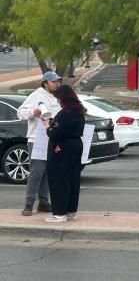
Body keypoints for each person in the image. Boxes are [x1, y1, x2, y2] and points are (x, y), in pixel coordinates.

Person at [17, 71, 62, 216]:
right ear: (45, 83)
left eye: (58, 81)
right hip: (37, 139)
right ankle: (29, 204)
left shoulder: (56, 97)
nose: (57, 83)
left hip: (51, 139)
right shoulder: (36, 95)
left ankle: (44, 202)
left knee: (47, 173)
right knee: (36, 172)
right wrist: (34, 112)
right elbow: (20, 113)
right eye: (54, 81)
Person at [44, 85, 86, 223]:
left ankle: (59, 213)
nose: (57, 101)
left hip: (62, 148)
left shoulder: (65, 113)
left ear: (63, 99)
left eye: (58, 98)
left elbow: (55, 133)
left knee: (59, 179)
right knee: (73, 179)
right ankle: (70, 210)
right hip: (75, 146)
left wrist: (48, 127)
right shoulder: (79, 111)